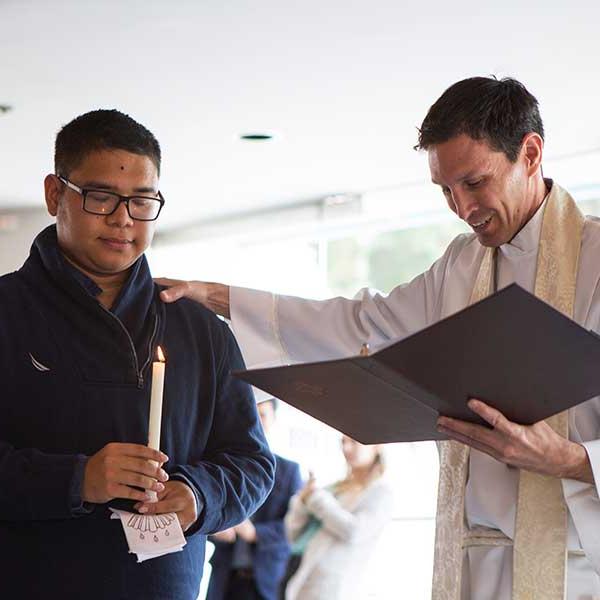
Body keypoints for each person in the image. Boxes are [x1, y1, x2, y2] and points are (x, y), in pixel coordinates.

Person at [158, 76, 600, 599]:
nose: (461, 208)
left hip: (573, 563)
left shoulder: (593, 259)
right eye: (446, 191)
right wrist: (219, 297)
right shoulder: (462, 263)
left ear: (530, 153)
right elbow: (362, 324)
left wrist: (571, 459)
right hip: (470, 561)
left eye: (475, 183)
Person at [0, 109, 275, 600]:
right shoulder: (7, 312)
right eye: (101, 196)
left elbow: (252, 462)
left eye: (142, 200)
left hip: (163, 584)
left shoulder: (198, 329)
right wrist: (77, 478)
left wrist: (198, 495)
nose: (123, 218)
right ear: (54, 193)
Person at [206, 396, 303, 600]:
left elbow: (293, 529)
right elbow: (206, 510)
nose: (257, 421)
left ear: (274, 418)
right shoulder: (225, 466)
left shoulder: (289, 471)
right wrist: (214, 528)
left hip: (263, 582)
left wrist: (254, 533)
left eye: (263, 414)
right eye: (252, 414)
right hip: (224, 577)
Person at [281, 436, 393, 600]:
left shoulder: (381, 491)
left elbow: (355, 531)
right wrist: (302, 502)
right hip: (299, 574)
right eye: (343, 442)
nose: (346, 448)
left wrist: (314, 498)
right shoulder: (334, 488)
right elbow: (294, 534)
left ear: (377, 446)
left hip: (330, 587)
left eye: (354, 442)